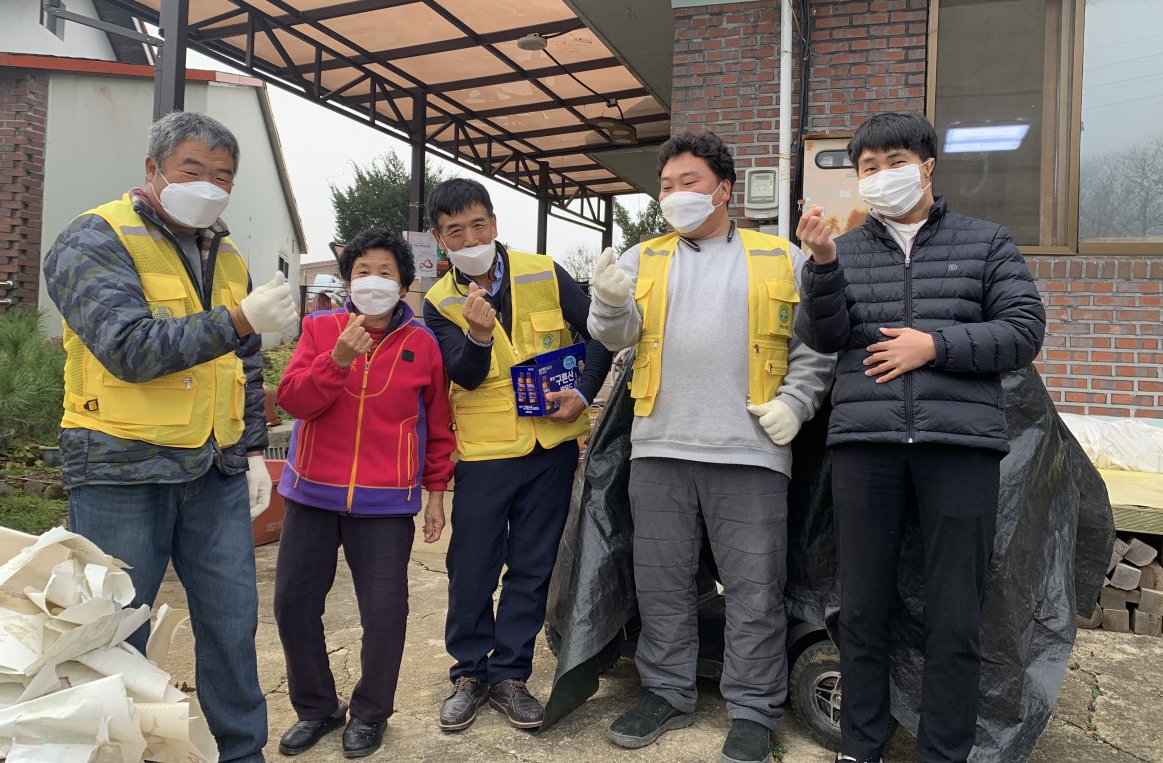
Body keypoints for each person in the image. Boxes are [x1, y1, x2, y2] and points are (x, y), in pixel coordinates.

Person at [42, 110, 300, 763]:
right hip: (120, 474)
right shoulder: (94, 239)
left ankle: (243, 754)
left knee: (232, 629)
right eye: (193, 169)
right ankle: (112, 753)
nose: (210, 185)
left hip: (211, 476)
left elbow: (241, 361)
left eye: (224, 176)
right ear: (153, 169)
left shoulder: (228, 254)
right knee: (111, 638)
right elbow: (127, 349)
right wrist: (238, 316)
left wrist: (250, 448)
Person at [794, 111, 1046, 763]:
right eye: (868, 167)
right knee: (863, 608)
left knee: (957, 616)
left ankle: (943, 752)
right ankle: (861, 744)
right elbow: (821, 335)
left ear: (927, 165)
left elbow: (1023, 331)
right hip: (866, 449)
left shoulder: (986, 242)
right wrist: (821, 262)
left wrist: (932, 345)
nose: (881, 177)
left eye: (894, 161)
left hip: (958, 450)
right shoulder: (842, 251)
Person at [587, 131, 834, 763]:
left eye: (688, 182)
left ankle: (754, 709)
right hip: (660, 446)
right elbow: (615, 337)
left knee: (756, 588)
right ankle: (667, 692)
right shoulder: (645, 259)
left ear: (723, 190)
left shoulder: (782, 258)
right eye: (666, 185)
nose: (674, 195)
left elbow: (817, 347)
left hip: (750, 451)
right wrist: (609, 302)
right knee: (662, 582)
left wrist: (796, 403)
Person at [422, 178, 613, 732]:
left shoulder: (543, 270)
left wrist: (582, 390)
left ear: (495, 223)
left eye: (478, 224)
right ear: (441, 239)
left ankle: (510, 674)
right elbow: (463, 373)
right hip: (484, 455)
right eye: (455, 230)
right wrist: (478, 338)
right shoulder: (439, 303)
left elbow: (598, 333)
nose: (470, 236)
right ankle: (470, 673)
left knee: (532, 565)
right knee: (472, 566)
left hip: (550, 447)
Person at [273, 228, 455, 759]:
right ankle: (317, 709)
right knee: (293, 603)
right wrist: (338, 359)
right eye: (361, 273)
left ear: (403, 283)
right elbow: (292, 401)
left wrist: (436, 491)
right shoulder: (319, 327)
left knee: (384, 611)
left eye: (385, 273)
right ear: (346, 280)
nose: (372, 282)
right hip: (311, 493)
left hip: (385, 501)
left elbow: (438, 424)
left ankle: (371, 712)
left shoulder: (422, 344)